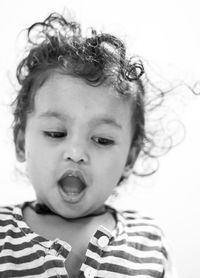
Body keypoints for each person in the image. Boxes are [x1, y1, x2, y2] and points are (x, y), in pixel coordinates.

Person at [0, 12, 178, 278]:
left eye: (102, 140)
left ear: (129, 159)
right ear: (21, 142)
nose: (76, 154)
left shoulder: (149, 244)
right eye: (56, 133)